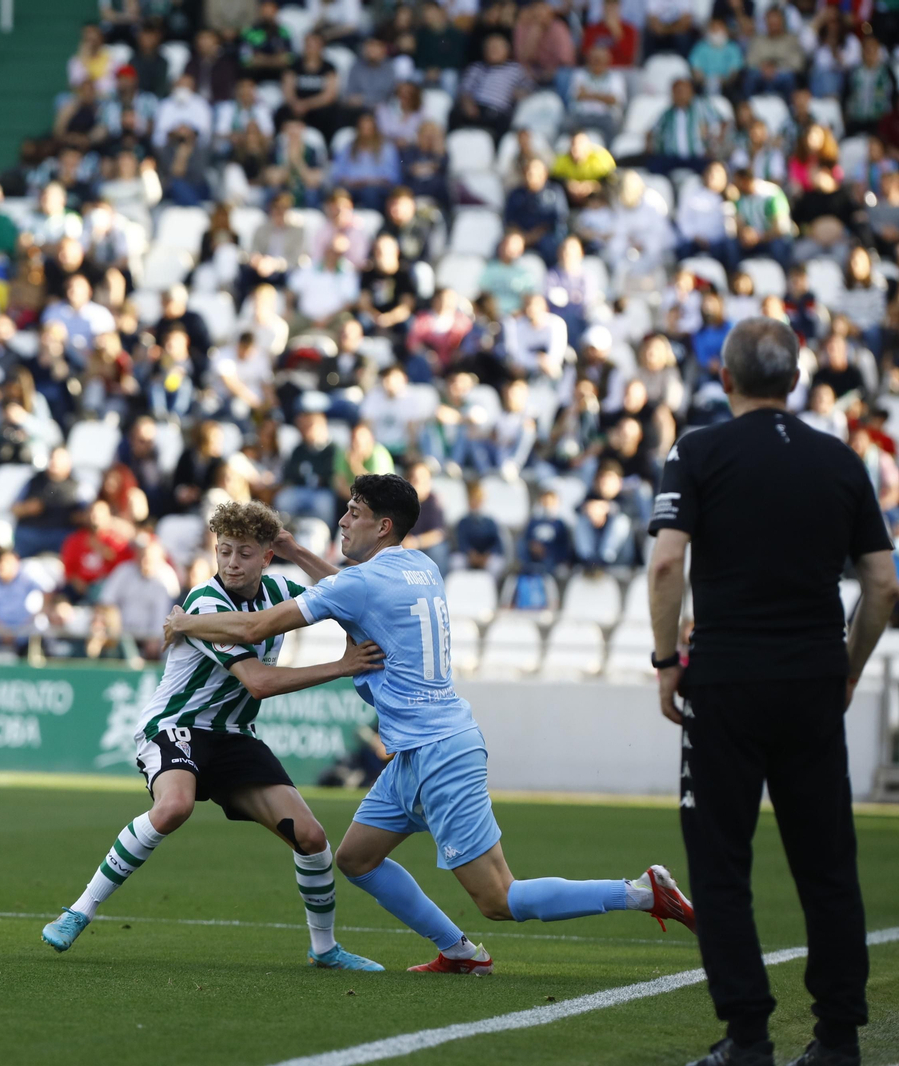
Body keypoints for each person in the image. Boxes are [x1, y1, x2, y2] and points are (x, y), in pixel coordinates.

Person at [165, 474, 696, 976]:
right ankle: (458, 951)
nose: (343, 522)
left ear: (383, 527)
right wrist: (299, 552)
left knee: (499, 899)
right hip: (418, 750)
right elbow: (352, 590)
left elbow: (257, 624)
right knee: (356, 858)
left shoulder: (365, 581)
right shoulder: (422, 567)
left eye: (354, 514)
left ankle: (641, 891)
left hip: (440, 750)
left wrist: (185, 622)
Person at [648, 318, 897, 1066]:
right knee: (827, 864)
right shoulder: (841, 460)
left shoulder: (698, 450)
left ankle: (749, 1038)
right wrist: (847, 667)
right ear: (794, 380)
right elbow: (882, 584)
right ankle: (839, 1038)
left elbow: (666, 568)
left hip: (725, 681)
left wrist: (666, 661)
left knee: (722, 863)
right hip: (814, 680)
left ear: (725, 379)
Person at [41, 500, 386, 970]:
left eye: (246, 553)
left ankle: (324, 949)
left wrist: (294, 548)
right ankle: (79, 911)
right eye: (224, 551)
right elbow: (259, 682)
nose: (232, 563)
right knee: (174, 806)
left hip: (234, 735)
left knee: (311, 836)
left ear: (266, 558)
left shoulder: (279, 587)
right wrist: (342, 666)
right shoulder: (206, 602)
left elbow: (347, 591)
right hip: (175, 726)